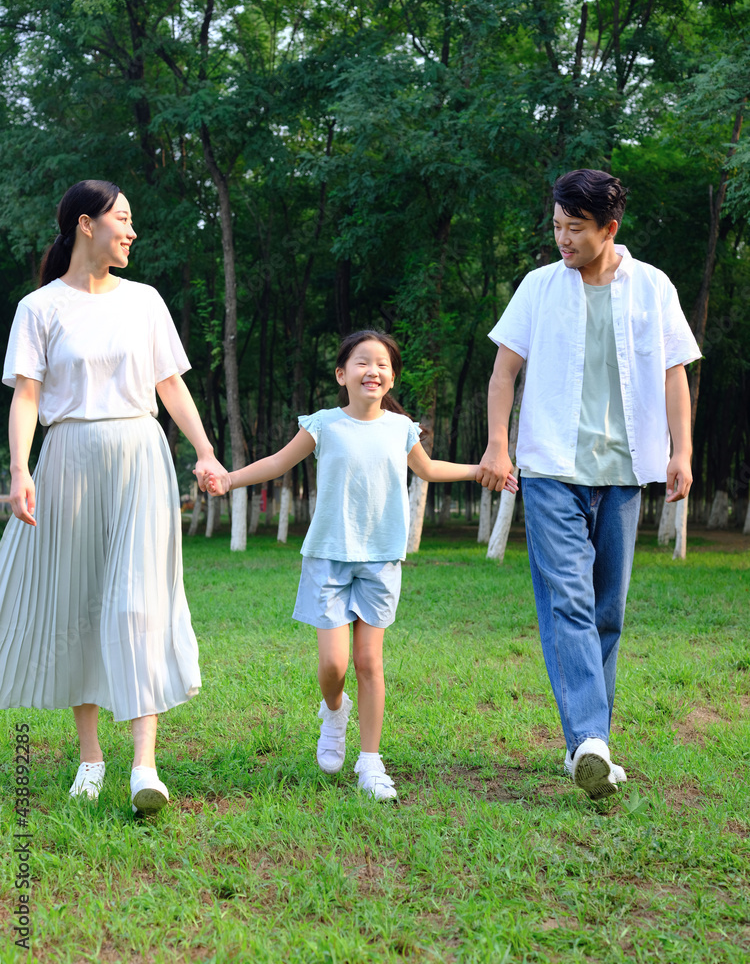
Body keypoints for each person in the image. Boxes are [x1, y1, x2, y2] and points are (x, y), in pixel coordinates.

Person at [206, 329, 513, 800]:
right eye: (362, 362)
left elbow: (428, 470)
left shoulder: (400, 428)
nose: (373, 370)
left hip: (382, 558)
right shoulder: (324, 424)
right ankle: (334, 710)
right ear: (341, 374)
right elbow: (276, 463)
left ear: (391, 379)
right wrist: (229, 479)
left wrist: (483, 471)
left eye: (383, 365)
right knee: (333, 664)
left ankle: (370, 762)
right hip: (328, 556)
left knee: (369, 661)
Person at [0, 180, 226, 815]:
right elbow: (26, 396)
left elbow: (171, 385)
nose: (131, 231)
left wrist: (205, 452)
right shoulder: (38, 308)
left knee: (138, 603)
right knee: (79, 599)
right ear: (84, 225)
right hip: (68, 460)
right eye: (122, 219)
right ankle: (91, 758)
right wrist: (21, 469)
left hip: (139, 457)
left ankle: (145, 767)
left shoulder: (146, 301)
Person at [477, 169, 700, 800]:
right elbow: (503, 372)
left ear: (610, 227)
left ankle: (583, 742)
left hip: (624, 473)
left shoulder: (652, 287)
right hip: (550, 469)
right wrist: (499, 443)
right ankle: (593, 740)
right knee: (570, 600)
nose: (562, 239)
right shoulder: (539, 287)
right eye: (556, 225)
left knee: (608, 609)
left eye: (575, 228)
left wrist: (680, 451)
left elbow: (674, 374)